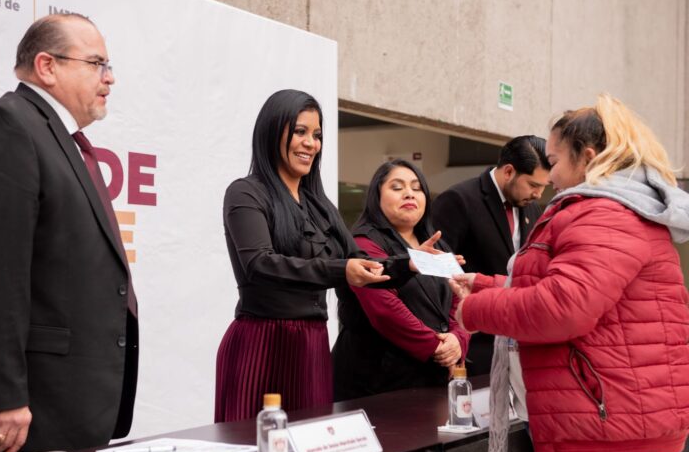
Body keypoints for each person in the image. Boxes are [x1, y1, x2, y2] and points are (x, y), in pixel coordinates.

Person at [0, 13, 138, 452]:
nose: (110, 77)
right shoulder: (5, 125)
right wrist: (2, 397)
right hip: (21, 418)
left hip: (66, 409)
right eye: (98, 63)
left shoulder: (59, 139)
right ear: (47, 66)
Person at [450, 94, 689, 452]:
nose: (550, 177)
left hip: (608, 430)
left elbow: (563, 308)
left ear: (589, 157)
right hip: (608, 421)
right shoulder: (615, 210)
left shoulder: (604, 213)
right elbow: (572, 290)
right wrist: (488, 285)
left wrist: (474, 310)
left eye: (555, 162)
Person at [216, 90, 439, 423]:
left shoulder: (321, 206)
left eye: (317, 135)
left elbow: (362, 264)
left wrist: (407, 263)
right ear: (272, 130)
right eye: (300, 131)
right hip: (262, 342)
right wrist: (342, 270)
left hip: (312, 346)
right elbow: (260, 264)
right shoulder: (246, 192)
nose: (311, 143)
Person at [332, 159, 469, 400]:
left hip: (431, 375)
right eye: (397, 188)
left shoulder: (436, 243)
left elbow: (461, 296)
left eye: (417, 188)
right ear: (376, 196)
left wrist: (458, 340)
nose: (409, 193)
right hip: (377, 380)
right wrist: (437, 348)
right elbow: (385, 310)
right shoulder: (363, 243)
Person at [429, 136, 550, 375]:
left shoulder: (534, 209)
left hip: (518, 341)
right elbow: (438, 273)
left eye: (544, 186)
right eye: (533, 185)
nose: (539, 194)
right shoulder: (459, 200)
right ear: (508, 171)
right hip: (474, 345)